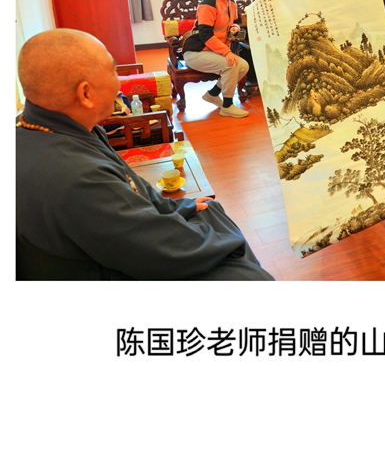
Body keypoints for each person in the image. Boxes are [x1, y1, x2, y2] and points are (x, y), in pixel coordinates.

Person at [16, 28, 275, 281]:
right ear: (86, 94)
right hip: (101, 270)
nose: (119, 83)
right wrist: (228, 244)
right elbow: (155, 251)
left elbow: (133, 188)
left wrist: (177, 208)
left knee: (209, 209)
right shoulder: (77, 176)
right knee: (248, 276)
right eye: (113, 72)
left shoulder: (53, 127)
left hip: (117, 241)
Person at [182, 0, 250, 118]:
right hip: (196, 51)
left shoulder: (231, 2)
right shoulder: (208, 3)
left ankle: (213, 94)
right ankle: (227, 106)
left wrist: (235, 27)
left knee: (243, 66)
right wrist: (227, 52)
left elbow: (234, 22)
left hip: (213, 51)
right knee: (231, 64)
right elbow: (205, 35)